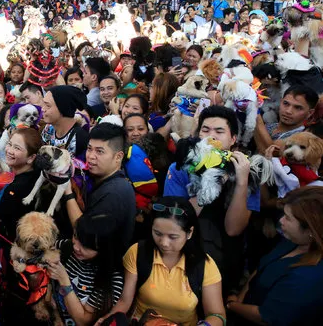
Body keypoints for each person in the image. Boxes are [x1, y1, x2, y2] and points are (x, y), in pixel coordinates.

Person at [164, 106, 256, 294]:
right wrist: (212, 182)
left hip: (224, 260)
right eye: (205, 130)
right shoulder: (180, 167)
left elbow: (234, 229)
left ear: (233, 139)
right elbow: (174, 219)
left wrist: (240, 181)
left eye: (219, 131)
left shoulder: (248, 171)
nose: (211, 136)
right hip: (182, 254)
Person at [102, 197, 225, 326]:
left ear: (189, 233)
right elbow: (124, 301)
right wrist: (107, 319)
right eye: (158, 233)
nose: (164, 243)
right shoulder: (138, 253)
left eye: (173, 237)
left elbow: (217, 315)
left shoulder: (205, 266)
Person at [226, 187, 323, 325]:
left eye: (288, 218)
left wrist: (231, 305)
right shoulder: (293, 240)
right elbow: (263, 267)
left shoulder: (308, 278)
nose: (281, 221)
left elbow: (266, 317)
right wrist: (240, 298)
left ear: (310, 231)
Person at [62, 123, 136, 254]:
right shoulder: (94, 177)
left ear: (118, 156)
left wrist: (67, 192)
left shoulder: (116, 191)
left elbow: (84, 232)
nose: (90, 156)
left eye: (99, 151)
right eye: (89, 149)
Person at [48, 213, 124, 325]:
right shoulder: (67, 247)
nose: (76, 247)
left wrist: (64, 281)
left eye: (86, 246)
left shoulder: (112, 280)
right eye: (75, 236)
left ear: (104, 250)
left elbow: (82, 321)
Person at [255, 85, 318, 154]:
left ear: (310, 113)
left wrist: (255, 113)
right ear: (281, 101)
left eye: (298, 108)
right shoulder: (270, 126)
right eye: (285, 103)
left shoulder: (304, 139)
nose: (288, 111)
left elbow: (272, 152)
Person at [41, 85, 90, 161]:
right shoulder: (48, 129)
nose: (43, 109)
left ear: (63, 108)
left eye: (48, 105)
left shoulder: (79, 137)